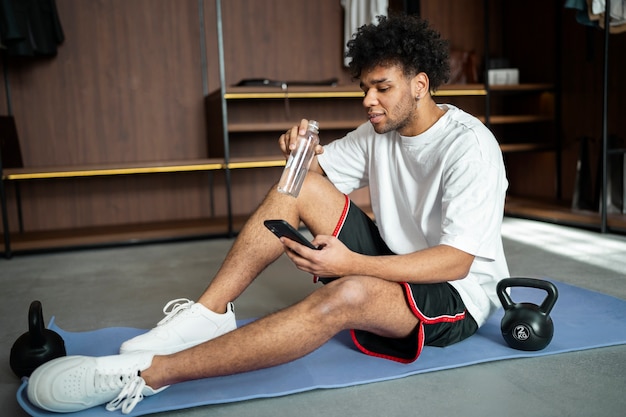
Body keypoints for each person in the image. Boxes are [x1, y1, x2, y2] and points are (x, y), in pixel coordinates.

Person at [26, 14, 509, 414]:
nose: (368, 101)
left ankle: (150, 375)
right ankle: (209, 314)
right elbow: (308, 178)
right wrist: (298, 151)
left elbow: (456, 261)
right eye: (364, 87)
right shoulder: (378, 132)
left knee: (349, 292)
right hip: (399, 256)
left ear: (420, 84)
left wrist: (351, 264)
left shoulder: (470, 147)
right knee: (298, 183)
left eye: (381, 88)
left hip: (454, 294)